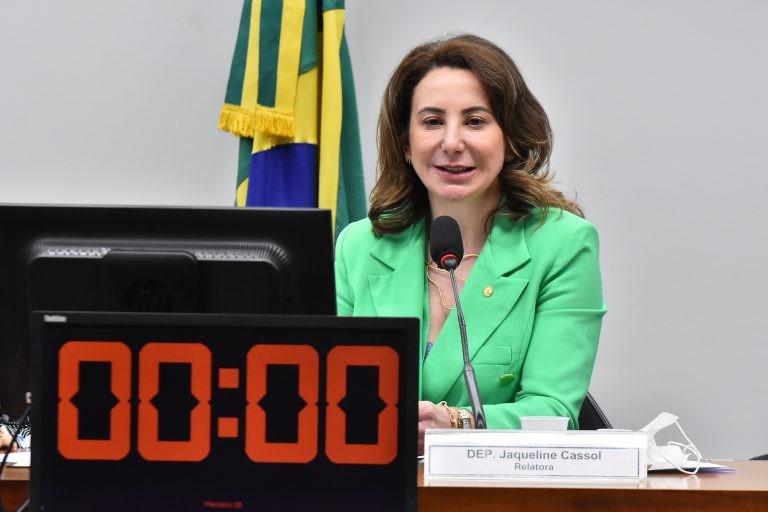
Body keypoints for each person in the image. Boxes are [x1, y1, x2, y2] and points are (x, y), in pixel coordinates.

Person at [334, 33, 606, 454]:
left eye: (476, 121)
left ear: (510, 137)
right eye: (432, 121)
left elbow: (553, 413)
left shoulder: (563, 245)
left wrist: (456, 423)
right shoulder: (359, 246)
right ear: (406, 143)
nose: (452, 142)